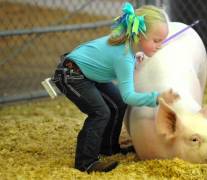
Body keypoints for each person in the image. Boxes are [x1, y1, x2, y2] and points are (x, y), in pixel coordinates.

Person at [52, 2, 179, 173]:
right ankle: (86, 162)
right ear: (139, 35)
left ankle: (108, 147)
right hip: (71, 75)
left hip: (88, 73)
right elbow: (130, 96)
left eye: (162, 41)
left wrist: (137, 57)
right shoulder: (125, 56)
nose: (160, 45)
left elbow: (118, 66)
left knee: (117, 103)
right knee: (100, 112)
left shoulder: (128, 48)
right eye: (156, 41)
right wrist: (157, 97)